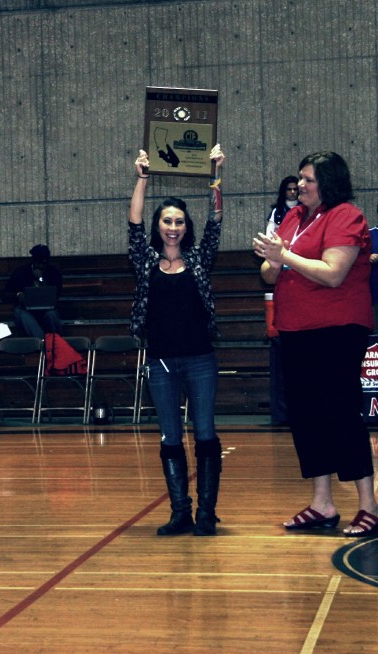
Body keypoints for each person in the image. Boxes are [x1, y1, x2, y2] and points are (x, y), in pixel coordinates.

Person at [254, 151, 378, 537]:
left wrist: (285, 255)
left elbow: (333, 273)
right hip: (294, 330)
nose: (301, 186)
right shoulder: (292, 218)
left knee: (339, 412)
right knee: (306, 415)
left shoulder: (346, 217)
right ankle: (322, 503)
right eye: (300, 179)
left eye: (308, 180)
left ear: (328, 182)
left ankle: (368, 505)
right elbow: (268, 274)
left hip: (336, 330)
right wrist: (273, 262)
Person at [129, 144, 226, 537]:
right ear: (160, 225)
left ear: (187, 227)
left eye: (180, 222)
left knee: (204, 432)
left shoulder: (200, 259)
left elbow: (217, 218)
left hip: (201, 359)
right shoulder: (146, 260)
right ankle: (180, 512)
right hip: (161, 362)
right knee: (170, 435)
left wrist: (216, 174)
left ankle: (206, 513)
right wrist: (141, 178)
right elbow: (133, 222)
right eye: (167, 221)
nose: (173, 227)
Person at [264, 176, 299, 426]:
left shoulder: (308, 213)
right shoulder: (278, 213)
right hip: (281, 269)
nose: (293, 192)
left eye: (295, 189)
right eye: (288, 189)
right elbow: (269, 242)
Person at [3, 243, 64, 338]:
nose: (40, 266)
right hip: (25, 309)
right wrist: (18, 295)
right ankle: (41, 342)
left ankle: (56, 341)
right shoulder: (21, 272)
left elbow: (56, 294)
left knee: (52, 315)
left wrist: (41, 279)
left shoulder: (53, 273)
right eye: (38, 263)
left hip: (47, 309)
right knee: (21, 314)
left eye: (43, 263)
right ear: (33, 261)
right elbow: (7, 292)